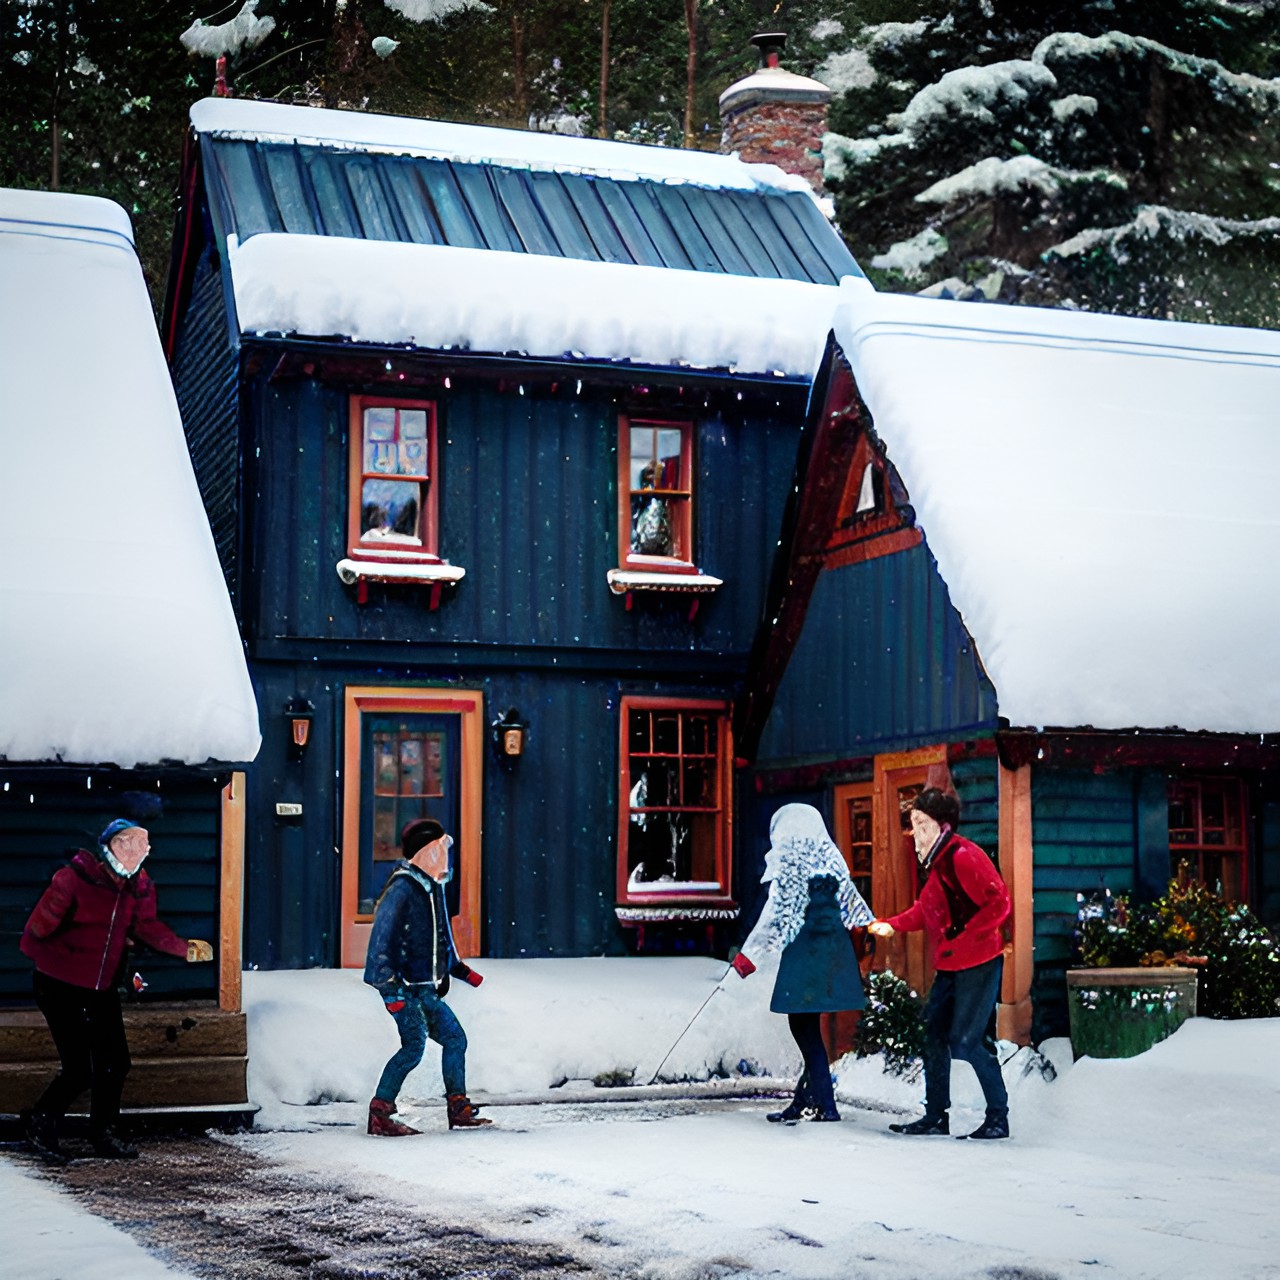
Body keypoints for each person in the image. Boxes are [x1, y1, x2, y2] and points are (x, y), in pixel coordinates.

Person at [20, 819, 215, 1162]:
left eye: (148, 843)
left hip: (101, 986)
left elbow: (147, 927)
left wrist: (182, 948)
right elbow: (37, 930)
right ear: (120, 844)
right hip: (59, 984)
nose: (147, 850)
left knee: (115, 1062)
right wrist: (76, 948)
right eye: (142, 842)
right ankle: (41, 1122)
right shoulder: (74, 879)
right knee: (79, 1068)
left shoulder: (139, 885)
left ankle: (102, 1132)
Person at [869, 788, 1012, 1140]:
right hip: (951, 964)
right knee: (933, 1036)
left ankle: (998, 1116)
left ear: (942, 826)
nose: (915, 832)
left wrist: (966, 938)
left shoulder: (963, 856)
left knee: (967, 1041)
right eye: (913, 823)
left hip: (978, 962)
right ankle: (935, 1115)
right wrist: (893, 924)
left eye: (922, 823)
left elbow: (999, 903)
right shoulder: (940, 862)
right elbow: (927, 910)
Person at [731, 803, 873, 1123]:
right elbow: (855, 909)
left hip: (805, 959)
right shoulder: (832, 865)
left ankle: (825, 1104)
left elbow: (773, 920)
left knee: (804, 1029)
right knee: (807, 1029)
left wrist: (748, 957)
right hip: (830, 959)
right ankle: (806, 1100)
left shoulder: (792, 871)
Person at [363, 817, 489, 1135]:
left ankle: (457, 1106)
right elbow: (380, 943)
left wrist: (457, 969)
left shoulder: (433, 888)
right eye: (438, 850)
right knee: (413, 1047)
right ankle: (380, 1112)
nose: (445, 858)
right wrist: (390, 989)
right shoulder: (402, 889)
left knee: (454, 1038)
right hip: (403, 990)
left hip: (426, 990)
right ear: (423, 853)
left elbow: (441, 936)